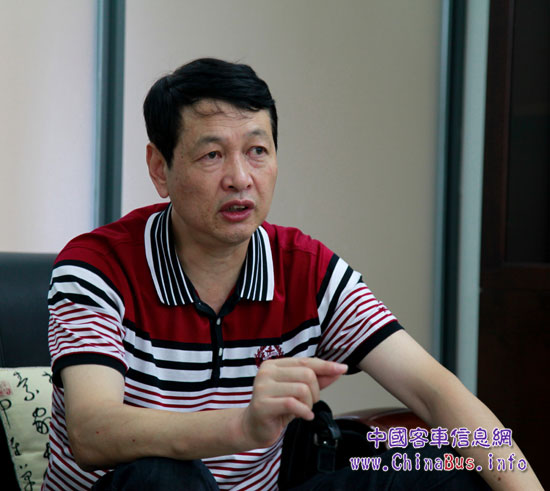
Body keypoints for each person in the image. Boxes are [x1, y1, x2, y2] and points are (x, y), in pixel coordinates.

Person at [43, 58, 542, 490]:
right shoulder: (97, 267)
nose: (241, 178)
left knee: (450, 467)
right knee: (161, 476)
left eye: (257, 151)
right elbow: (93, 432)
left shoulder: (305, 268)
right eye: (212, 154)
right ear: (160, 168)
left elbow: (434, 391)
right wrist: (242, 427)